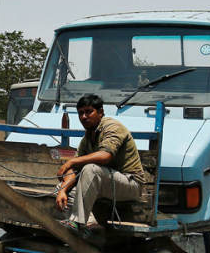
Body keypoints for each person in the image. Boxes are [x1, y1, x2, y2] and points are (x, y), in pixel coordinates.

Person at [55, 93, 146, 235]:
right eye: (80, 113)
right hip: (106, 183)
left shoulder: (112, 127)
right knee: (62, 188)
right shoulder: (88, 137)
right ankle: (90, 225)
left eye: (88, 111)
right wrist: (62, 190)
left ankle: (78, 221)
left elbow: (105, 156)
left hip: (130, 184)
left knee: (91, 169)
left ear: (100, 112)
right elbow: (75, 169)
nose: (84, 117)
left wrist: (72, 160)